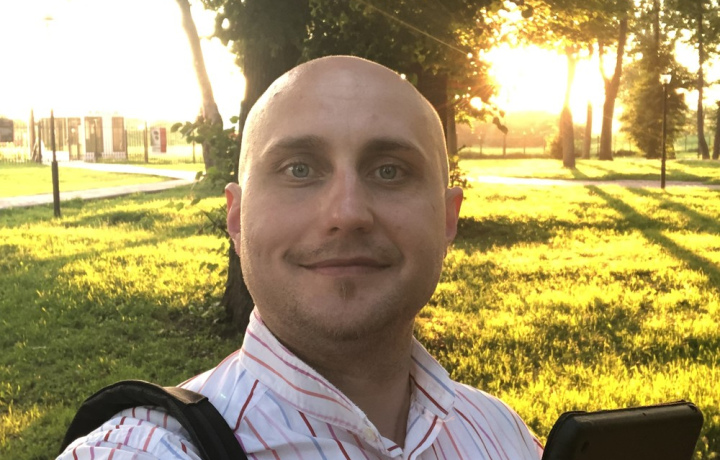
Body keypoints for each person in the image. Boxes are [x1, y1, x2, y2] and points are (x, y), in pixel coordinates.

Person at [58, 55, 543, 460]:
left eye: (390, 171)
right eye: (299, 169)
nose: (347, 213)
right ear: (237, 218)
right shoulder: (145, 450)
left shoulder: (505, 434)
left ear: (448, 219)